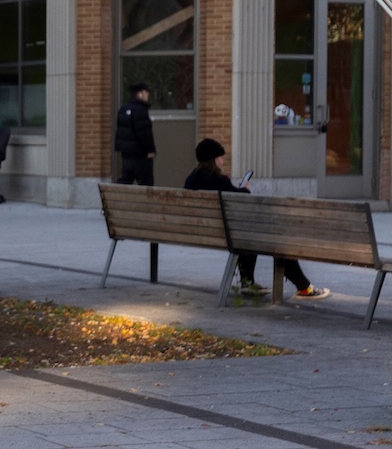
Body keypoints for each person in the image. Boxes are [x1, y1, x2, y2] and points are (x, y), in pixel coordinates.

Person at [183, 138, 329, 299]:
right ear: (213, 159)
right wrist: (244, 189)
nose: (223, 161)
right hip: (229, 234)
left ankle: (248, 283)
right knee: (277, 241)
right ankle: (304, 288)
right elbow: (242, 199)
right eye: (221, 157)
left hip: (203, 232)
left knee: (246, 234)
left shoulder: (191, 180)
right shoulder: (220, 181)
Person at [114, 81, 156, 184]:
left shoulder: (123, 109)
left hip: (126, 155)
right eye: (146, 92)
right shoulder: (140, 110)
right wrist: (150, 150)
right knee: (146, 184)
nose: (148, 95)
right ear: (140, 94)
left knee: (126, 180)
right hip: (140, 155)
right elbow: (144, 133)